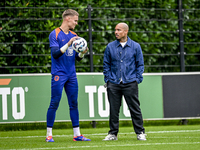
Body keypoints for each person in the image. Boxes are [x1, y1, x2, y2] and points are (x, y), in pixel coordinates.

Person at [46, 9, 91, 142]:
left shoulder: (74, 35)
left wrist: (83, 52)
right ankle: (49, 135)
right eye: (75, 20)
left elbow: (78, 58)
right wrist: (69, 43)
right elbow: (55, 54)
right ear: (68, 19)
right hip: (58, 74)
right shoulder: (54, 34)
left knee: (74, 103)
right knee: (54, 102)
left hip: (71, 75)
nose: (76, 23)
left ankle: (77, 135)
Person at [103, 22, 146, 141]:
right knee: (113, 110)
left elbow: (140, 64)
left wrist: (137, 79)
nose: (116, 32)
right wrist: (108, 79)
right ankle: (113, 134)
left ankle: (140, 132)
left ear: (125, 32)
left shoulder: (136, 46)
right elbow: (106, 64)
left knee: (135, 108)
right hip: (114, 83)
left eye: (119, 30)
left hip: (130, 82)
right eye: (115, 30)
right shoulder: (110, 47)